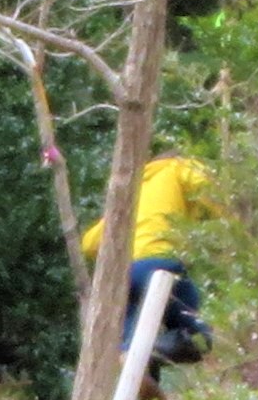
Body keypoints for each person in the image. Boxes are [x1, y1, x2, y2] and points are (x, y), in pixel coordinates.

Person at [88, 149, 214, 373]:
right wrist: (234, 218)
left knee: (131, 336)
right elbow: (208, 188)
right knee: (194, 326)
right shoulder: (177, 167)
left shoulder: (133, 191)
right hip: (162, 263)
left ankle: (135, 363)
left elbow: (89, 243)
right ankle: (163, 348)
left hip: (128, 275)